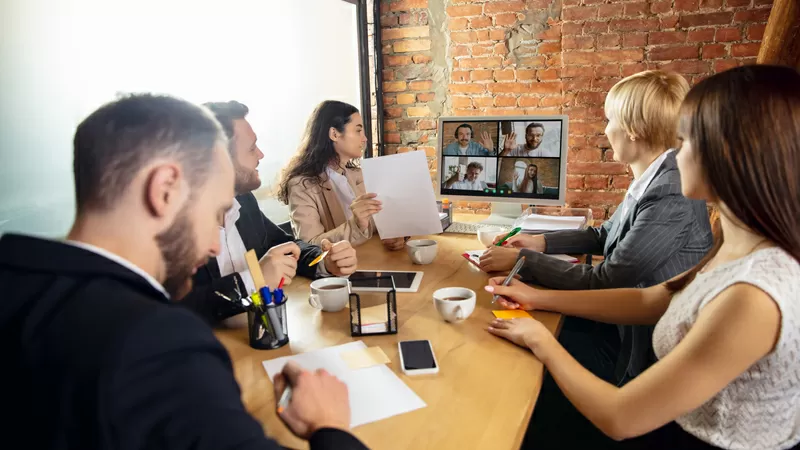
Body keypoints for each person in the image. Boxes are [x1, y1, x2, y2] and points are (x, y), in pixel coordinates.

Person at [0, 94, 369, 450]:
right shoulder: (158, 343)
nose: (213, 243)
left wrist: (320, 260)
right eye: (213, 212)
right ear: (164, 190)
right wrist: (330, 428)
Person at [485, 65, 800, 450]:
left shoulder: (754, 293)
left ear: (729, 157)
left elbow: (622, 417)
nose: (673, 153)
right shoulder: (736, 242)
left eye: (683, 141)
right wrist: (536, 299)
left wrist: (541, 340)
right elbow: (654, 299)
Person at [480, 70, 713, 448]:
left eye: (610, 120)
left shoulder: (670, 190)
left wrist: (523, 262)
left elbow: (609, 278)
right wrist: (539, 242)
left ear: (633, 130)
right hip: (626, 324)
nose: (605, 131)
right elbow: (604, 235)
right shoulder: (654, 176)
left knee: (524, 372)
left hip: (642, 352)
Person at [181, 101, 359, 326]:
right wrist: (252, 280)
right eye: (251, 148)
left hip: (265, 337)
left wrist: (326, 262)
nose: (261, 154)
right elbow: (172, 310)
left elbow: (288, 245)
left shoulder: (243, 201)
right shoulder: (174, 226)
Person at [279, 100, 406, 251]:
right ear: (334, 134)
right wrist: (356, 225)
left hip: (373, 260)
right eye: (358, 131)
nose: (364, 139)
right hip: (340, 271)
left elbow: (374, 224)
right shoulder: (301, 185)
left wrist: (394, 234)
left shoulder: (357, 174)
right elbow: (310, 247)